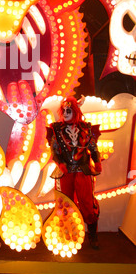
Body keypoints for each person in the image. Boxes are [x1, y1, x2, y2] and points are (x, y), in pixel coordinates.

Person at [46, 96, 102, 249]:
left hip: (83, 171)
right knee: (65, 205)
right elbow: (54, 151)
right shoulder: (56, 129)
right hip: (65, 173)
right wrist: (60, 163)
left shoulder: (85, 128)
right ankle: (67, 234)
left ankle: (92, 235)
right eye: (63, 110)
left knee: (87, 204)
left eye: (68, 110)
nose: (65, 113)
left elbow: (93, 148)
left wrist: (97, 161)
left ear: (75, 111)